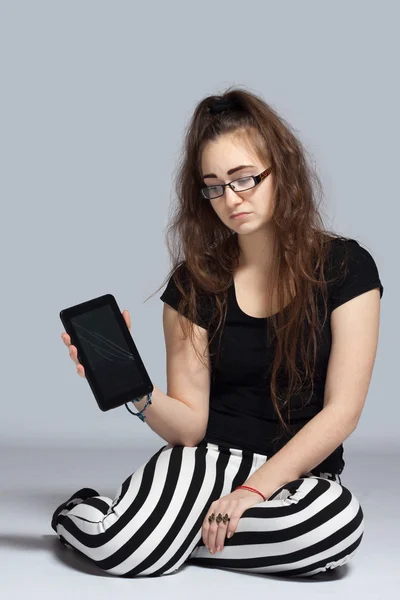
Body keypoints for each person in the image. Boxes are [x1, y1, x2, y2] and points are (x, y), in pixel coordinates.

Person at [52, 87, 383, 578]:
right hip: (208, 461)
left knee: (334, 529)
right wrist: (138, 392)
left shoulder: (347, 267)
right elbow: (189, 427)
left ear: (282, 170)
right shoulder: (193, 284)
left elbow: (342, 412)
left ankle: (173, 538)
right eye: (213, 186)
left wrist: (252, 492)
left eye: (244, 179)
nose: (230, 199)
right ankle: (93, 514)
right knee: (116, 548)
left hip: (297, 473)